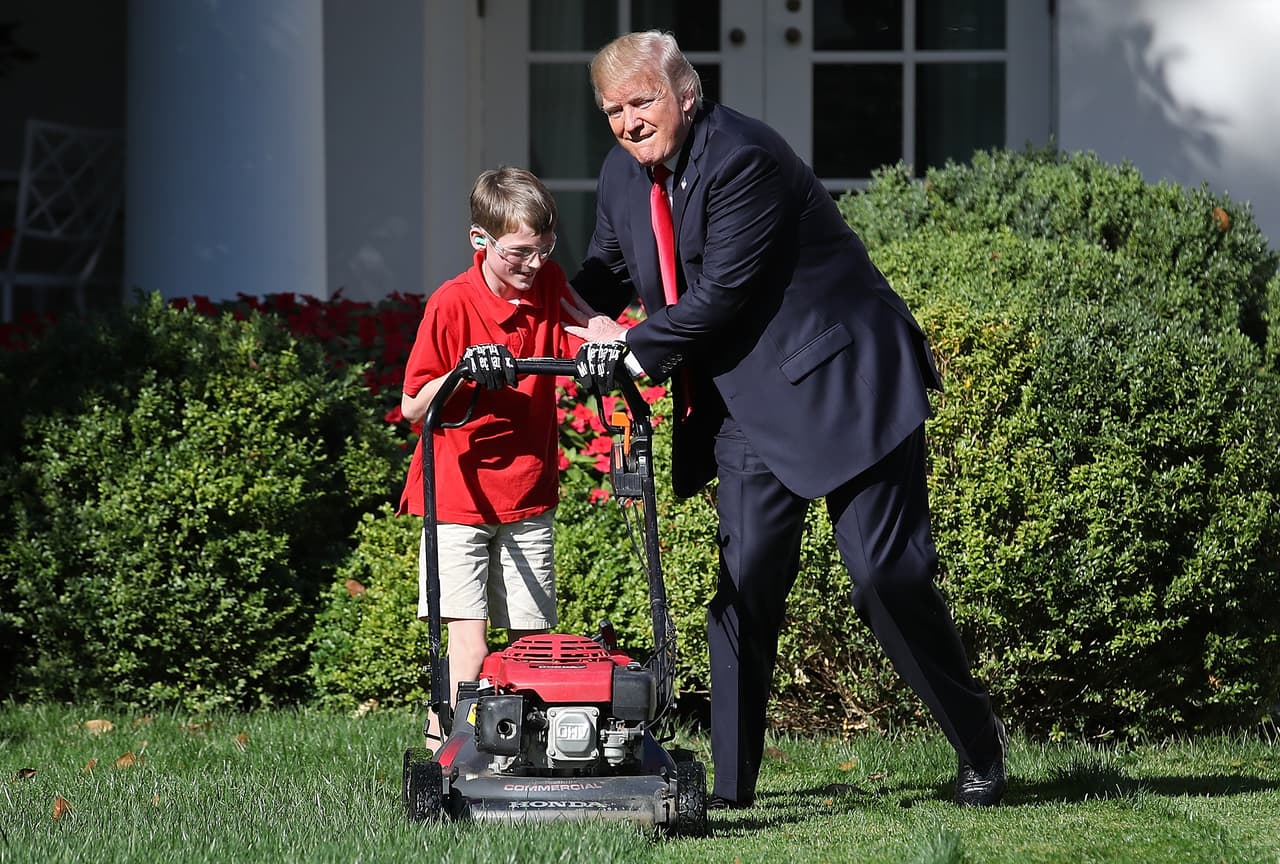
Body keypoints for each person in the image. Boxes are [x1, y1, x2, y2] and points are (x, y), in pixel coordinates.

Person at [563, 31, 1008, 809]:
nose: (629, 122)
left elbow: (721, 294)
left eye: (643, 102)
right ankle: (731, 794)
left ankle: (979, 743)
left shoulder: (743, 158)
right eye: (613, 111)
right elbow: (603, 275)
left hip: (845, 382)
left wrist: (629, 348)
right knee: (745, 587)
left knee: (883, 576)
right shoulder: (621, 176)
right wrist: (527, 313)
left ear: (685, 96)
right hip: (747, 406)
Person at [398, 166, 587, 732]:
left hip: (528, 490)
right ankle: (450, 746)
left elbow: (586, 327)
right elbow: (412, 407)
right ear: (480, 241)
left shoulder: (548, 284)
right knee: (470, 644)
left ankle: (536, 746)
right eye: (520, 253)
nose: (534, 264)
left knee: (533, 638)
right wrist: (463, 372)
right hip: (459, 495)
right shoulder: (452, 305)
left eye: (545, 249)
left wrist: (609, 347)